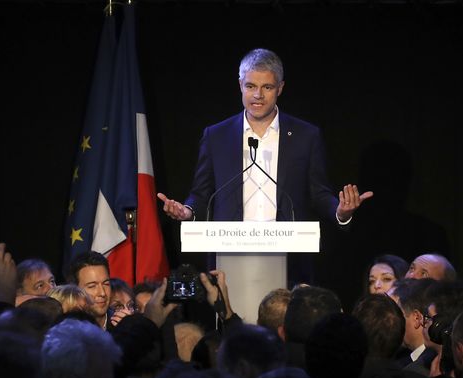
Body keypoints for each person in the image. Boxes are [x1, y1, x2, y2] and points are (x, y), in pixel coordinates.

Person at [157, 48, 373, 284]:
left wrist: (340, 212)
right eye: (250, 86)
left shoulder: (305, 136)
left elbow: (319, 193)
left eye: (267, 87)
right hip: (229, 259)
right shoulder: (216, 136)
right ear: (240, 85)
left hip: (289, 260)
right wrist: (188, 211)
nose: (257, 95)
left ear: (280, 88)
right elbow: (201, 193)